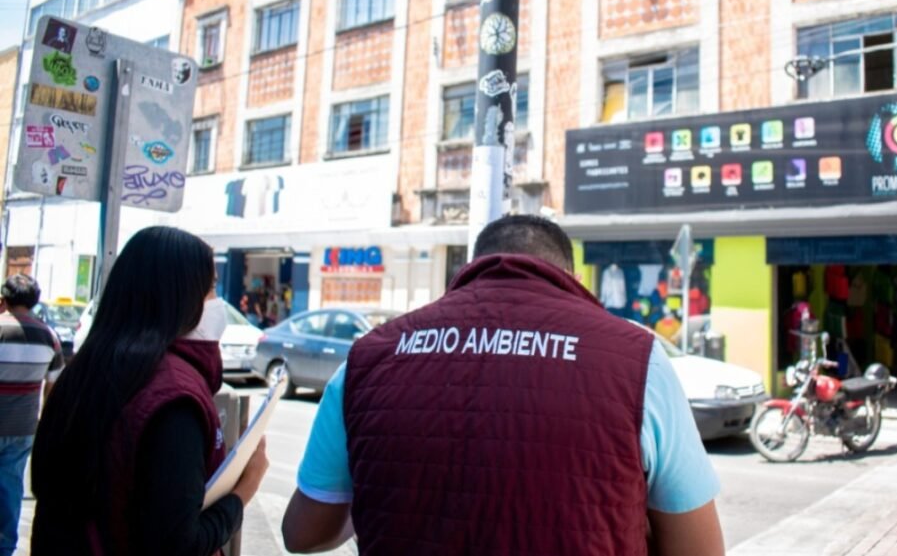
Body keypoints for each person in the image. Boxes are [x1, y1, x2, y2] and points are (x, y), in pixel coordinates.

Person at [281, 215, 725, 555]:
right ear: (571, 279)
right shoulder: (638, 361)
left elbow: (303, 534)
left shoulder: (367, 359)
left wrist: (378, 490)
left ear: (471, 269)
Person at [30, 226, 270, 555]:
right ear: (178, 296)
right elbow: (179, 544)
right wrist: (243, 490)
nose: (218, 302)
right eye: (211, 288)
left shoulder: (84, 371)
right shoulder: (175, 397)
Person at [0, 274, 63, 556]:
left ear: (4, 298)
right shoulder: (49, 337)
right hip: (23, 427)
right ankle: (5, 546)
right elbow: (52, 388)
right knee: (10, 485)